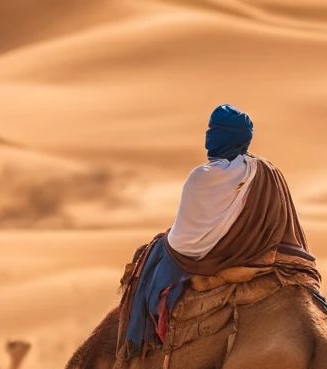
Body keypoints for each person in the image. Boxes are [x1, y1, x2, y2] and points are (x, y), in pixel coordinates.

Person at [126, 104, 309, 350]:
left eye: (213, 131)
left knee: (154, 259)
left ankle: (146, 342)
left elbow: (183, 242)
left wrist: (167, 240)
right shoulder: (267, 170)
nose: (208, 138)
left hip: (216, 257)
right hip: (271, 254)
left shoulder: (202, 177)